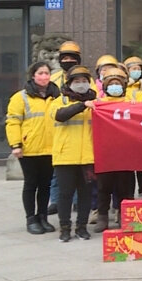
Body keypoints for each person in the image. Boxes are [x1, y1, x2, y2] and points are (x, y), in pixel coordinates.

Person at [6, 62, 60, 235]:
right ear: (33, 75)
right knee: (31, 184)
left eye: (47, 73)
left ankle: (43, 216)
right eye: (40, 73)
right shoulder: (20, 97)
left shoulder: (57, 95)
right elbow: (13, 122)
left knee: (45, 185)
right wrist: (16, 144)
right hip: (29, 149)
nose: (44, 76)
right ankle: (31, 218)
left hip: (51, 148)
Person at [49, 65, 97, 242]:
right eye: (77, 81)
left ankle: (82, 227)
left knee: (85, 194)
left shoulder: (96, 102)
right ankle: (65, 228)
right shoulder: (59, 101)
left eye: (84, 81)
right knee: (65, 193)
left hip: (88, 157)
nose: (81, 84)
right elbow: (60, 115)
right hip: (65, 156)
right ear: (69, 83)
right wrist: (82, 105)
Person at [93, 67, 136, 232]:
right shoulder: (98, 103)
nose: (115, 86)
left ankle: (124, 215)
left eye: (118, 83)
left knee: (126, 186)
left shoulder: (132, 102)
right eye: (111, 84)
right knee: (103, 186)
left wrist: (136, 107)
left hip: (126, 151)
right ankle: (103, 216)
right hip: (105, 151)